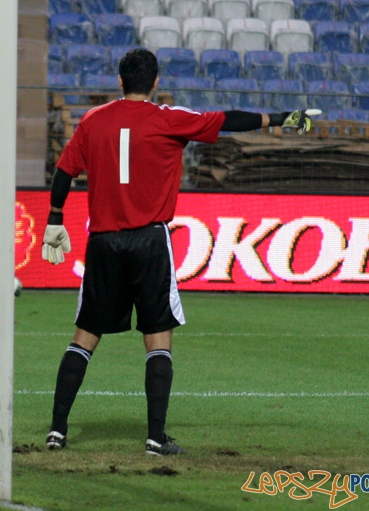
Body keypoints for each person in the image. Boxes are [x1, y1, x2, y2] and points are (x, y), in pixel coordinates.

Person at [40, 48, 317, 456]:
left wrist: (54, 218)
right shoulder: (168, 118)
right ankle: (156, 437)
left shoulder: (92, 120)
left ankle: (57, 431)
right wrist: (280, 118)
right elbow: (226, 121)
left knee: (85, 336)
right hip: (149, 241)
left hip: (103, 242)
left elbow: (64, 171)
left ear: (119, 81)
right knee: (158, 340)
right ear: (155, 82)